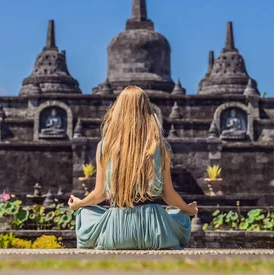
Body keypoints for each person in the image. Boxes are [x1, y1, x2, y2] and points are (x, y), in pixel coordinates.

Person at [69, 86, 198, 250]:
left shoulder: (105, 146)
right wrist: (189, 209)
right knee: (181, 216)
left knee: (84, 213)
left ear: (118, 110)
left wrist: (78, 205)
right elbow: (168, 195)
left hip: (116, 234)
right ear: (147, 111)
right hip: (156, 233)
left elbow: (100, 194)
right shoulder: (160, 146)